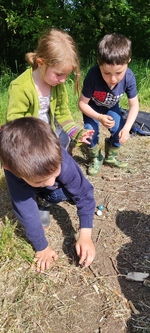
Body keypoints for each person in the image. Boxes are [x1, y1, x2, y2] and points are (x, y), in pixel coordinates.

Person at [0, 117, 96, 272]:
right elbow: (25, 209)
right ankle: (41, 200)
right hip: (25, 181)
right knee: (42, 195)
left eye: (55, 173)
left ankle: (44, 197)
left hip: (49, 174)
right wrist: (41, 247)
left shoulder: (61, 159)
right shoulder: (13, 170)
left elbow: (84, 193)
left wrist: (85, 234)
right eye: (40, 181)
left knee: (61, 191)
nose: (52, 183)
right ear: (9, 169)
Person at [7, 28, 94, 149]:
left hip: (52, 135)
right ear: (41, 62)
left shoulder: (57, 84)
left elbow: (62, 112)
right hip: (29, 141)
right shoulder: (20, 87)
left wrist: (75, 133)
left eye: (66, 75)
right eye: (59, 74)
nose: (63, 80)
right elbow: (14, 121)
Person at [78, 33, 139, 176]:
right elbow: (82, 104)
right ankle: (96, 157)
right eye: (106, 73)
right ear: (99, 63)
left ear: (128, 61)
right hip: (92, 109)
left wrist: (127, 127)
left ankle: (110, 157)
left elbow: (134, 105)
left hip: (112, 107)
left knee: (120, 129)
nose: (112, 79)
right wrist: (99, 117)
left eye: (119, 73)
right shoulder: (93, 75)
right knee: (90, 132)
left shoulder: (129, 77)